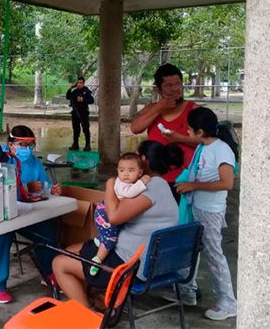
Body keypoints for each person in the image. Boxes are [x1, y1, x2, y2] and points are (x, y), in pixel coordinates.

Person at [52, 140, 182, 308]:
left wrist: (110, 184)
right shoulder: (159, 184)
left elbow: (114, 217)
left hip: (131, 264)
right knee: (71, 249)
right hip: (146, 256)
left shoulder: (151, 186)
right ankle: (102, 299)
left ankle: (89, 317)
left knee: (59, 263)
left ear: (143, 160)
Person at [0, 125, 63, 304]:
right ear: (11, 144)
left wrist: (50, 189)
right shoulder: (1, 160)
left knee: (46, 233)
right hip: (2, 212)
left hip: (26, 212)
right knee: (0, 237)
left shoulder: (35, 162)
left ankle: (48, 272)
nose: (26, 149)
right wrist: (26, 188)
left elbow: (43, 186)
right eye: (21, 144)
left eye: (30, 145)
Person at [171, 107, 238, 321]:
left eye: (190, 130)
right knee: (192, 250)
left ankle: (228, 302)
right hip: (198, 207)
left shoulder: (221, 150)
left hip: (210, 210)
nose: (188, 133)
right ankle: (187, 290)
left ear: (200, 131)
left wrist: (193, 185)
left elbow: (226, 183)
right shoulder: (204, 147)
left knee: (214, 254)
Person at [130, 63, 199, 202]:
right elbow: (135, 128)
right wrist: (159, 108)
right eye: (168, 85)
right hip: (155, 179)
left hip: (185, 179)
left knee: (182, 221)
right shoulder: (152, 108)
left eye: (178, 84)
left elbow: (208, 143)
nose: (175, 89)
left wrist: (180, 138)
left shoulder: (193, 109)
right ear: (158, 89)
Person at [89, 153, 151, 276]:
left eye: (131, 170)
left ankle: (100, 239)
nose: (126, 174)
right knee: (111, 239)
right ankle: (97, 260)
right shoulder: (120, 183)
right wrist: (142, 183)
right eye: (122, 170)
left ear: (140, 172)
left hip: (105, 210)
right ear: (117, 171)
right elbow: (129, 193)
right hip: (105, 214)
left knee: (110, 234)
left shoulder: (128, 181)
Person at [66, 76, 94, 151]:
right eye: (78, 82)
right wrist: (70, 88)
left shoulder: (86, 91)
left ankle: (87, 145)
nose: (79, 84)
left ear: (83, 83)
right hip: (75, 113)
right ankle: (75, 144)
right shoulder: (75, 91)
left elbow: (91, 100)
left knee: (86, 129)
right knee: (76, 129)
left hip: (83, 113)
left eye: (81, 83)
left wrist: (83, 99)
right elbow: (68, 96)